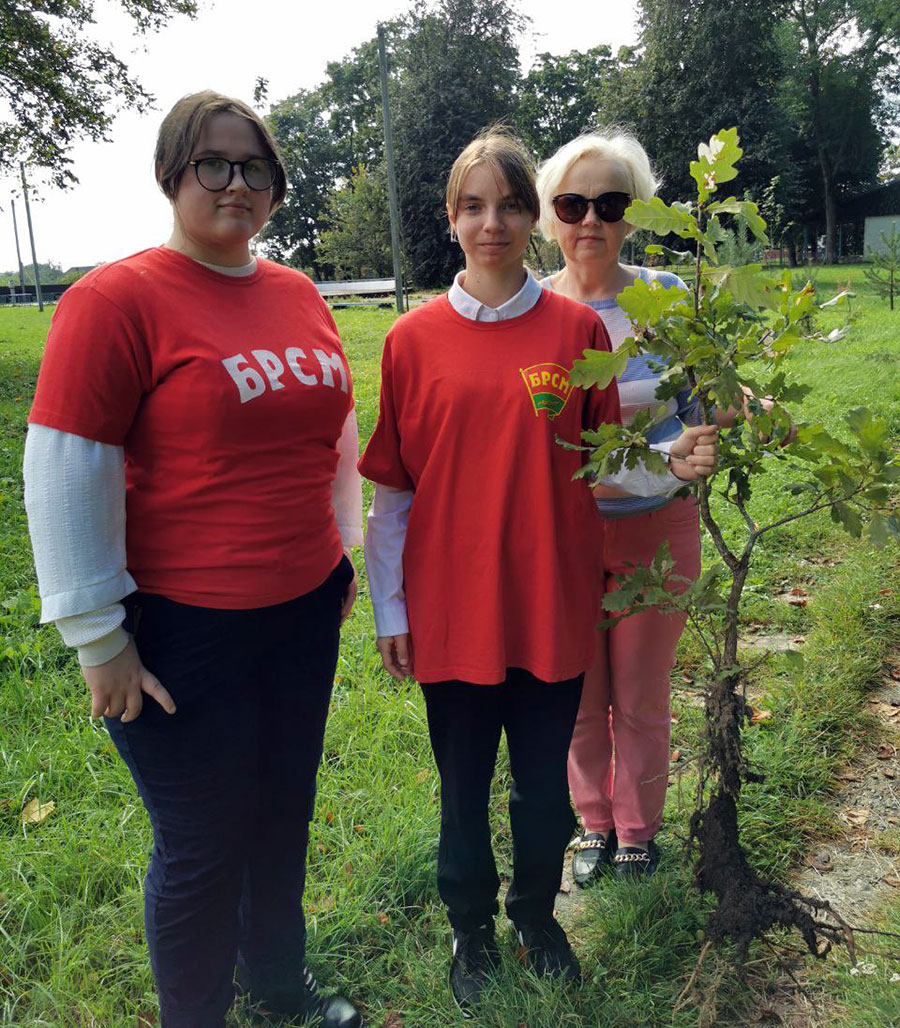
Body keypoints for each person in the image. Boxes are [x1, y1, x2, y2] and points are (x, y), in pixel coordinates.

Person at [23, 91, 364, 1028]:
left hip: (299, 608)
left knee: (281, 814)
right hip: (181, 631)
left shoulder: (295, 293)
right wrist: (98, 635)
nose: (237, 183)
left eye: (256, 167)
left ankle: (280, 992)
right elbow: (64, 470)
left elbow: (332, 432)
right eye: (213, 163)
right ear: (173, 172)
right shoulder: (116, 300)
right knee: (205, 841)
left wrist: (342, 557)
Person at [358, 127, 717, 1014]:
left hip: (554, 605)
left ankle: (536, 915)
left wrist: (666, 464)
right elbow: (393, 497)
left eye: (511, 205)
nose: (494, 223)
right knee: (465, 783)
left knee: (540, 786)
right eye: (474, 206)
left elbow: (601, 461)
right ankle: (471, 929)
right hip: (451, 617)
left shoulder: (576, 329)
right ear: (450, 220)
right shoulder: (411, 342)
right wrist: (389, 611)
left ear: (532, 218)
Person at [536, 130, 761, 884]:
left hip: (656, 531)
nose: (589, 219)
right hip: (563, 535)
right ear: (550, 216)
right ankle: (592, 823)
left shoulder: (666, 299)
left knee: (638, 692)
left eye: (610, 202)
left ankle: (637, 829)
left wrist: (751, 412)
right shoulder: (532, 313)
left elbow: (715, 395)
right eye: (572, 203)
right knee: (576, 694)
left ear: (635, 214)